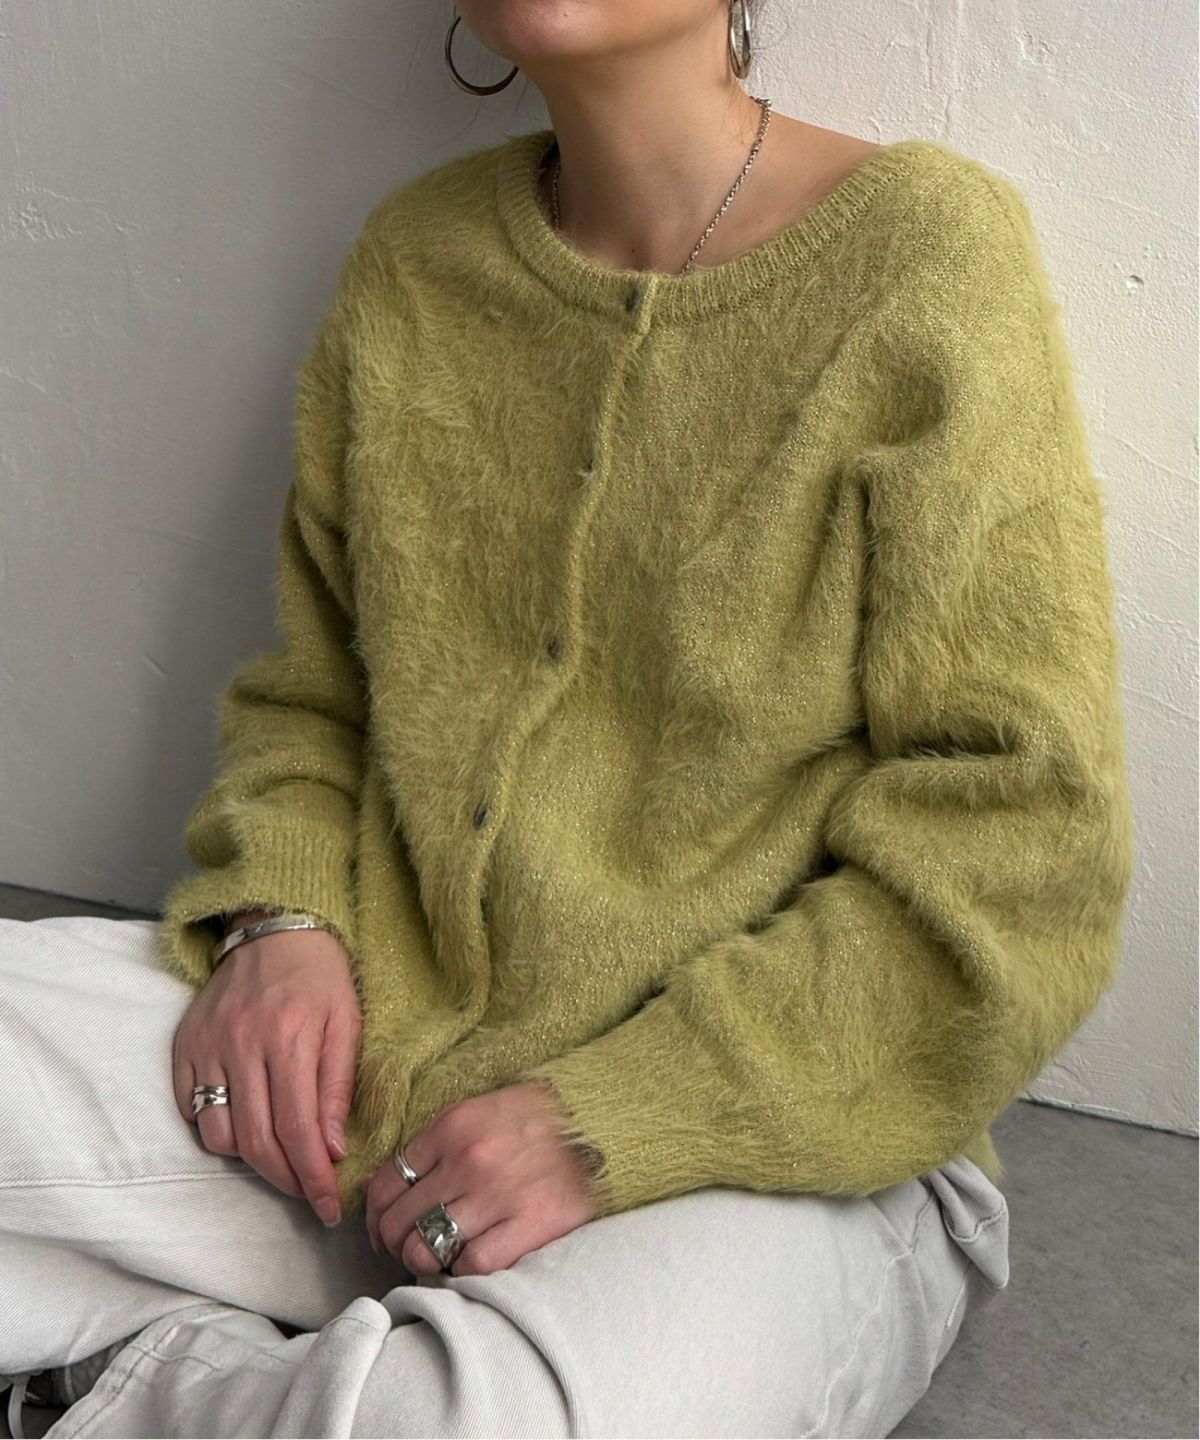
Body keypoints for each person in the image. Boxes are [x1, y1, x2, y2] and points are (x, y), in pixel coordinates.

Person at [1, 1, 1134, 1436]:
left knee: (459, 1427)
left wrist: (622, 1115)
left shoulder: (925, 255)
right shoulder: (417, 260)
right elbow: (316, 691)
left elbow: (1019, 836)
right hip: (366, 1064)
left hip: (788, 1136)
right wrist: (280, 918)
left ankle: (114, 1376)